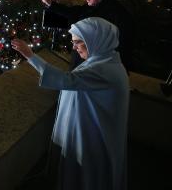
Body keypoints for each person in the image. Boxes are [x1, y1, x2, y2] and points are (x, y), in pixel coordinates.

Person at [12, 17, 129, 190]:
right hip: (94, 130)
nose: (73, 47)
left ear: (94, 40)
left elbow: (66, 81)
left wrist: (30, 55)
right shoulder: (105, 61)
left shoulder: (105, 69)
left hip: (93, 137)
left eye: (77, 42)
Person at [36, 0, 134, 71]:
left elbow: (121, 43)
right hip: (85, 60)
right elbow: (72, 12)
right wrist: (49, 2)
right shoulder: (94, 6)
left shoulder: (115, 12)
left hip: (96, 66)